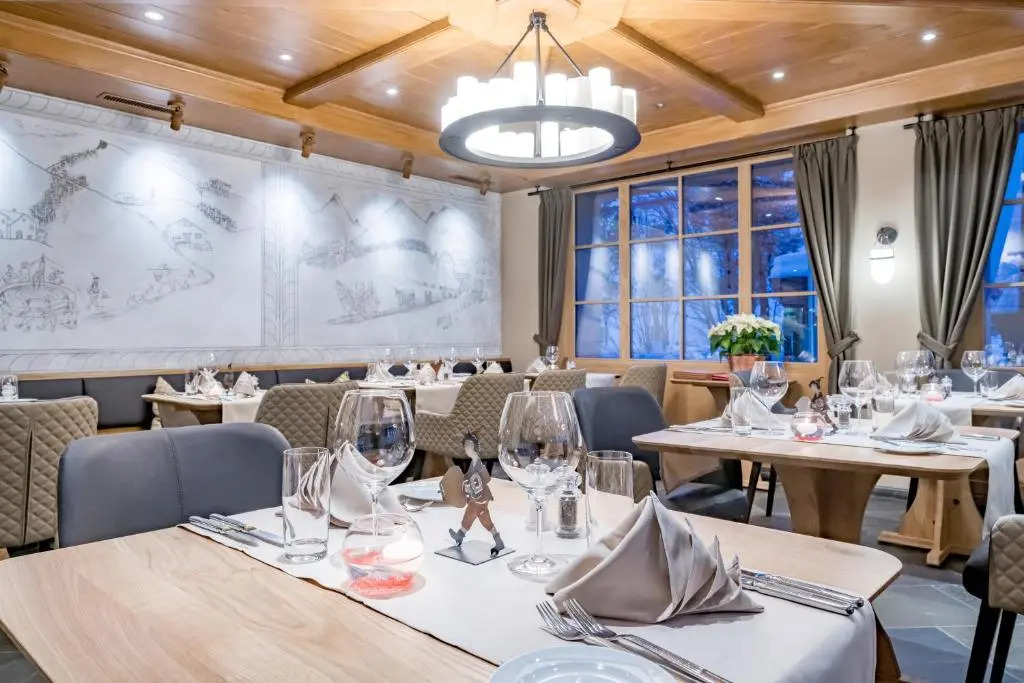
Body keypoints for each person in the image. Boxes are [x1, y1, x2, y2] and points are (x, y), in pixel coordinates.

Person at [449, 432, 504, 557]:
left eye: (470, 445)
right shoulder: (473, 462)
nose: (467, 448)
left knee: (483, 519)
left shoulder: (478, 464)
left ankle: (498, 541)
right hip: (476, 498)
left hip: (481, 498)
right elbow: (468, 477)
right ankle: (460, 536)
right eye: (465, 445)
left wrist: (472, 487)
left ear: (476, 446)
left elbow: (486, 478)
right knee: (471, 515)